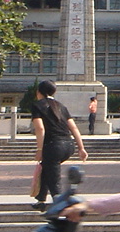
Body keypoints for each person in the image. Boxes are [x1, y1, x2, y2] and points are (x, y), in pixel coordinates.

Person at [31, 81, 88, 210]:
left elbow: (40, 128)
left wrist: (39, 149)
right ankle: (41, 200)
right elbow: (74, 128)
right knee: (47, 168)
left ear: (39, 92)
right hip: (68, 145)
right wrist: (81, 148)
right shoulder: (61, 106)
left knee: (53, 177)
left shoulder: (37, 105)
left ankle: (61, 205)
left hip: (53, 146)